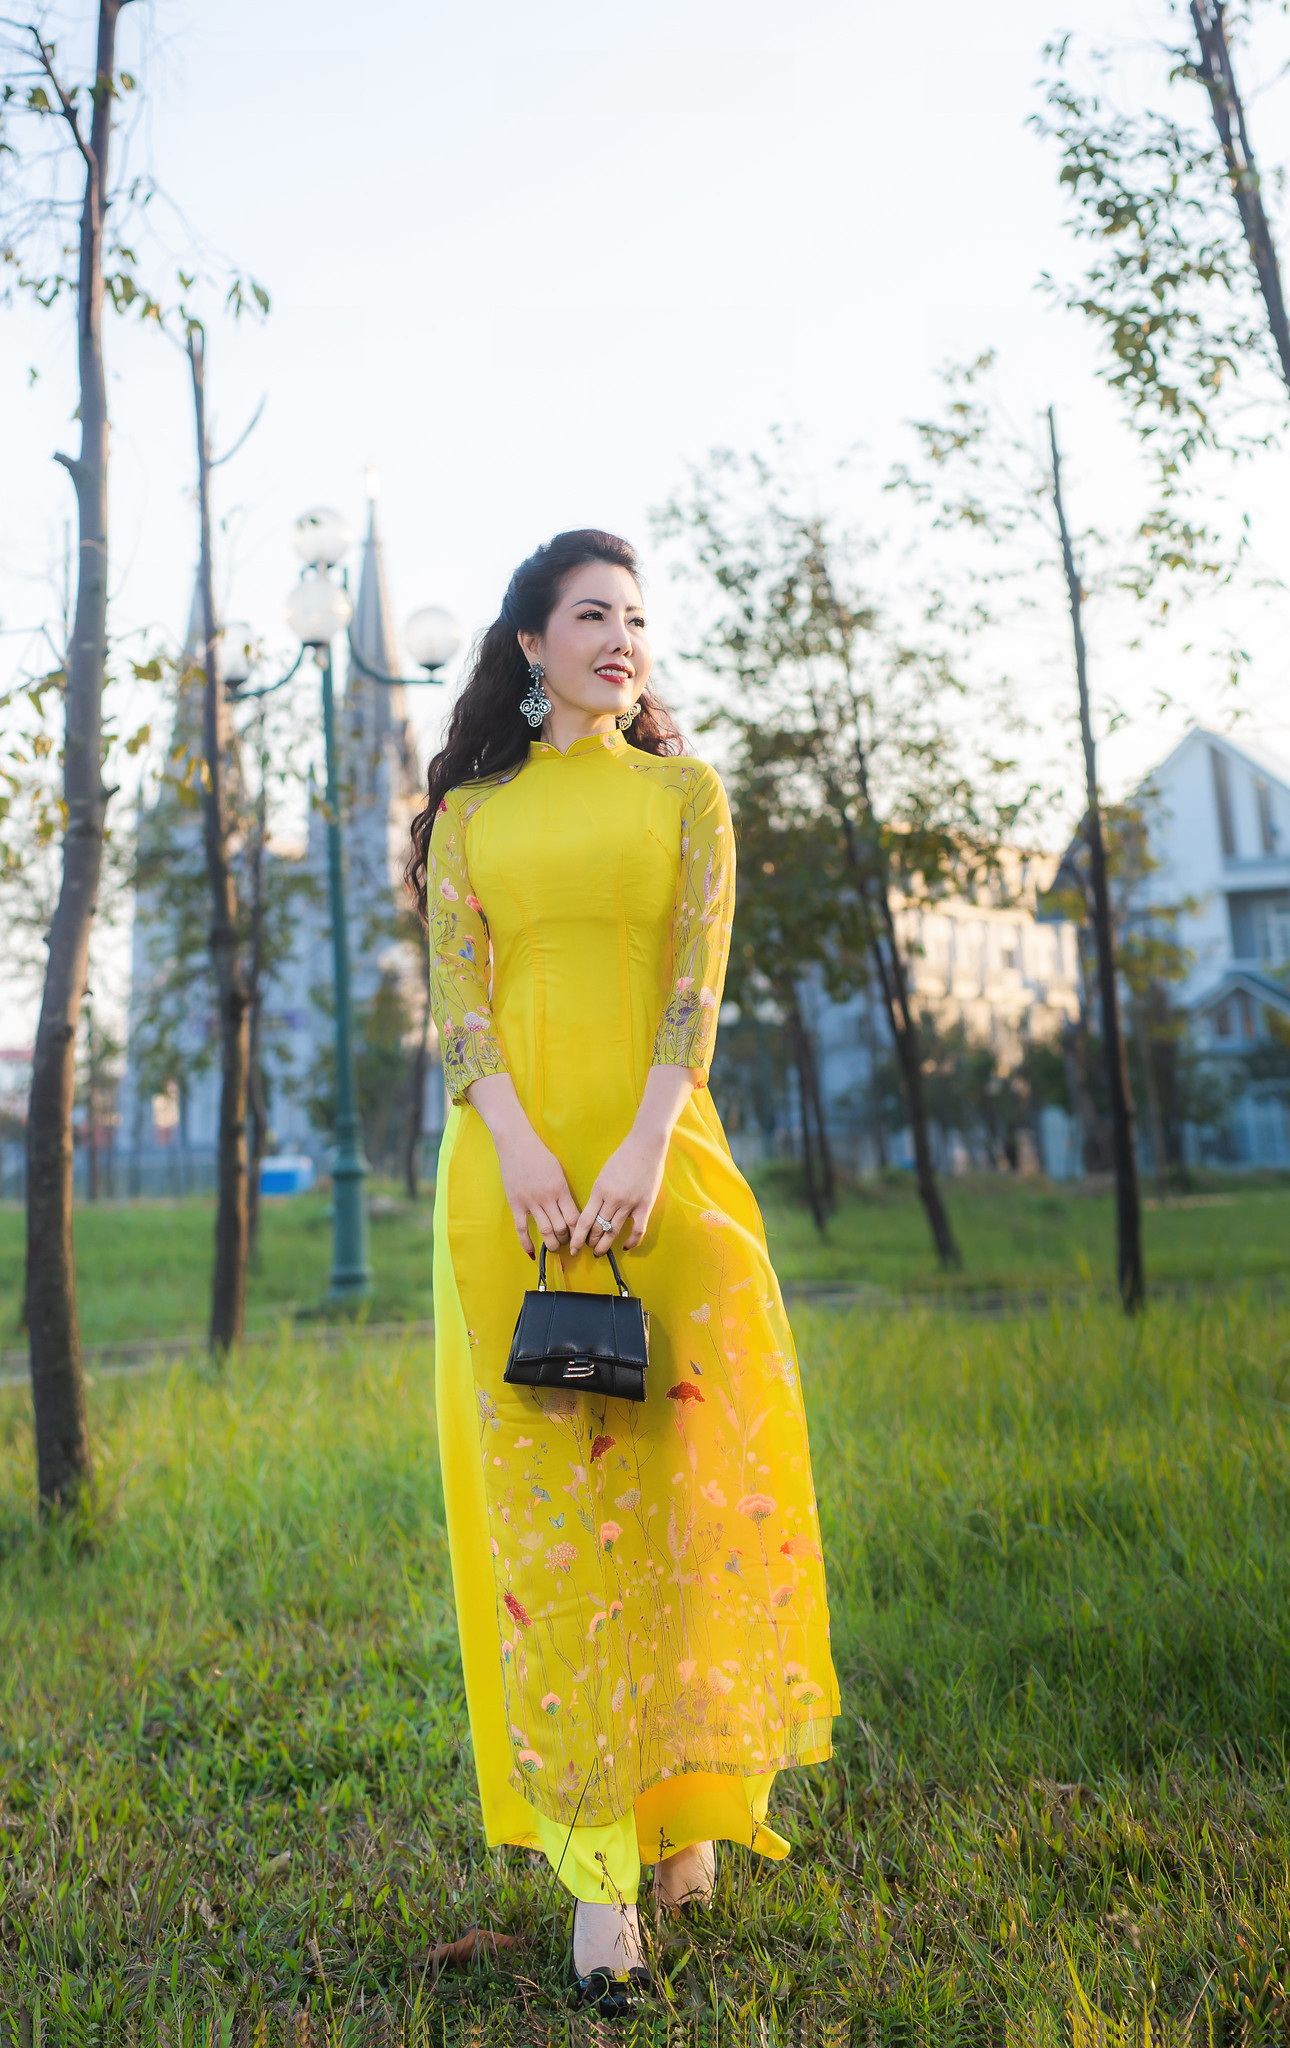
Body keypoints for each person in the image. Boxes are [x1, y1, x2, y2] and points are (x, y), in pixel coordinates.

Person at [409, 529, 840, 2014]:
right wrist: (523, 1152)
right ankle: (601, 1887)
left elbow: (692, 984)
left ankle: (689, 1803)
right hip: (509, 1178)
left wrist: (644, 1148)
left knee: (683, 1492)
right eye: (591, 614)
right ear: (527, 643)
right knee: (559, 1534)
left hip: (665, 1165)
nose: (621, 637)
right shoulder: (466, 816)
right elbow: (461, 1012)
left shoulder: (683, 796)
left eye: (637, 617)